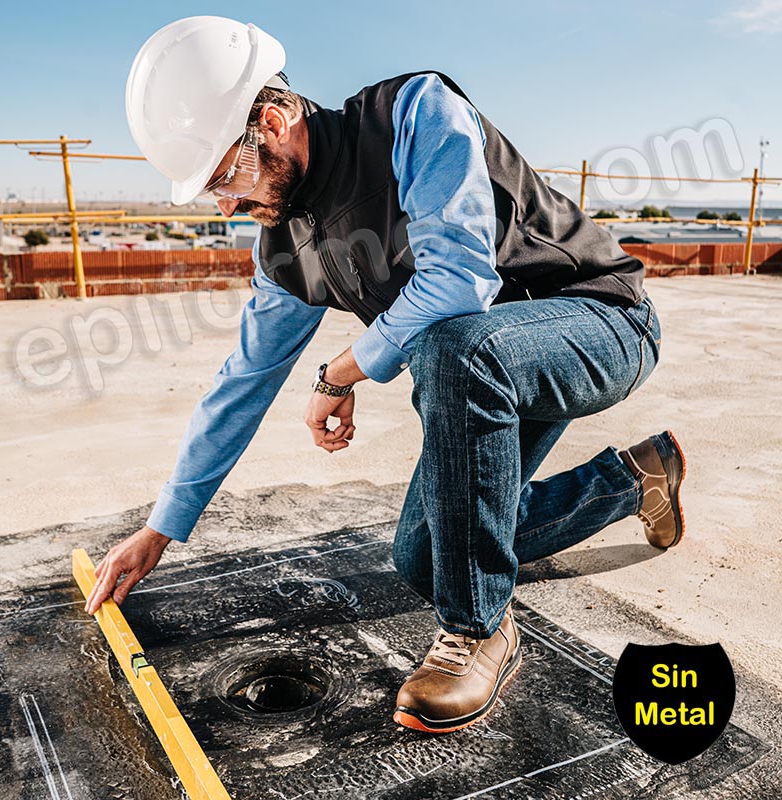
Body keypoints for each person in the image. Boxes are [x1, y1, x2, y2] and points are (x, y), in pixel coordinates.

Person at [84, 16, 687, 734]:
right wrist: (163, 525)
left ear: (271, 121)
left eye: (223, 177)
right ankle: (634, 480)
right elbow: (241, 380)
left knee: (453, 350)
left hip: (599, 321)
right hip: (489, 364)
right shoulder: (283, 251)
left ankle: (481, 630)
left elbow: (459, 279)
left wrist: (340, 372)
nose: (226, 205)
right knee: (426, 556)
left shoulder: (412, 117)